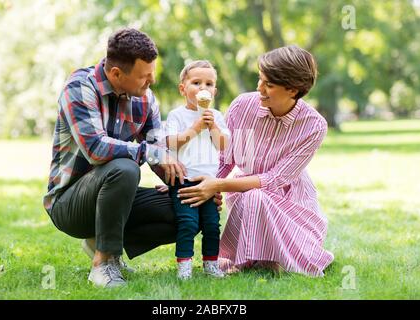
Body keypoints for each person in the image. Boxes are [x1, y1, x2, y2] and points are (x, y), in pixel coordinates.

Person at [43, 28, 222, 288]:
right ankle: (104, 263)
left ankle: (99, 241)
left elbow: (160, 151)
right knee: (124, 168)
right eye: (144, 77)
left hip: (113, 195)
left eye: (152, 74)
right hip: (69, 202)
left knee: (188, 208)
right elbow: (95, 148)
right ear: (117, 74)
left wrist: (197, 187)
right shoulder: (80, 87)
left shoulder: (146, 99)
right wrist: (151, 152)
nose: (150, 82)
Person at [177, 45, 334, 277]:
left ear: (293, 90)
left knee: (256, 195)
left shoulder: (314, 126)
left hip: (290, 203)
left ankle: (266, 257)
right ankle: (259, 257)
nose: (259, 88)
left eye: (269, 85)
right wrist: (190, 183)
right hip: (245, 198)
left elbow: (274, 179)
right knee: (252, 197)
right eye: (260, 79)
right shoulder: (242, 106)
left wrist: (218, 186)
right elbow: (223, 159)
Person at [165, 60, 230, 279]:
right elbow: (172, 143)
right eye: (196, 82)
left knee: (212, 224)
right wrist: (195, 128)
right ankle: (184, 266)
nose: (203, 88)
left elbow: (222, 145)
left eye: (209, 84)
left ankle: (211, 264)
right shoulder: (177, 115)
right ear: (183, 89)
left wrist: (212, 126)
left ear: (215, 91)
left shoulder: (217, 116)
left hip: (208, 181)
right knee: (188, 223)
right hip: (184, 180)